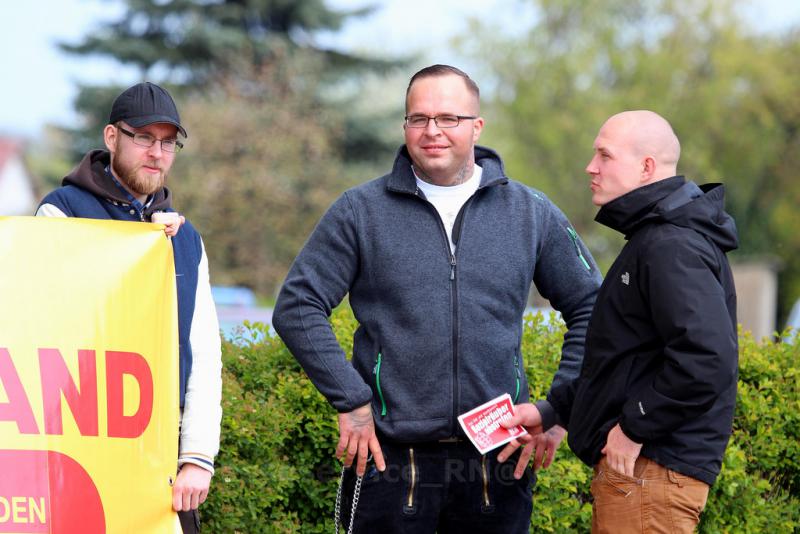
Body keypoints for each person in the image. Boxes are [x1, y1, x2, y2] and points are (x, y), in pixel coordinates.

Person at [272, 64, 601, 533]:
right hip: (390, 460)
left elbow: (593, 308)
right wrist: (351, 399)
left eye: (448, 118)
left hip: (497, 462)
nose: (432, 132)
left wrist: (559, 408)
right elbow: (297, 306)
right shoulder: (359, 211)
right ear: (405, 126)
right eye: (418, 119)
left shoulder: (530, 213)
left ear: (476, 126)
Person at [500, 110, 739, 533]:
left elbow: (707, 358)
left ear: (647, 167)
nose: (591, 167)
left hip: (649, 472)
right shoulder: (655, 238)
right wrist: (553, 410)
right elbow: (627, 360)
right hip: (644, 475)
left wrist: (634, 426)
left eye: (604, 155)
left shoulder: (671, 244)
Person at [36, 82, 223, 534]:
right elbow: (45, 327)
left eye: (167, 142)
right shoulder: (60, 215)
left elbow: (202, 354)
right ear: (111, 137)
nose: (156, 153)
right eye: (143, 137)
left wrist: (197, 457)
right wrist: (134, 244)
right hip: (76, 454)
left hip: (160, 458)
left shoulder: (186, 239)